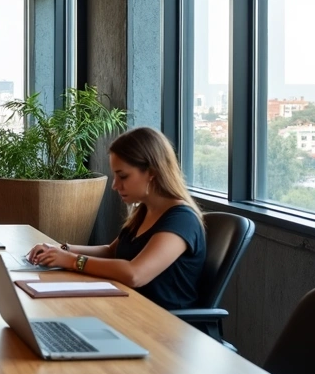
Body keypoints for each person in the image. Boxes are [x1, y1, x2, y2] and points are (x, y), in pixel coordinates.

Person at [26, 127, 207, 310]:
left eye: (123, 176)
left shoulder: (182, 220)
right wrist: (60, 249)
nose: (115, 185)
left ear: (152, 172)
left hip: (164, 326)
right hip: (129, 309)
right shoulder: (143, 211)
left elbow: (135, 274)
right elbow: (110, 251)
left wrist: (72, 261)